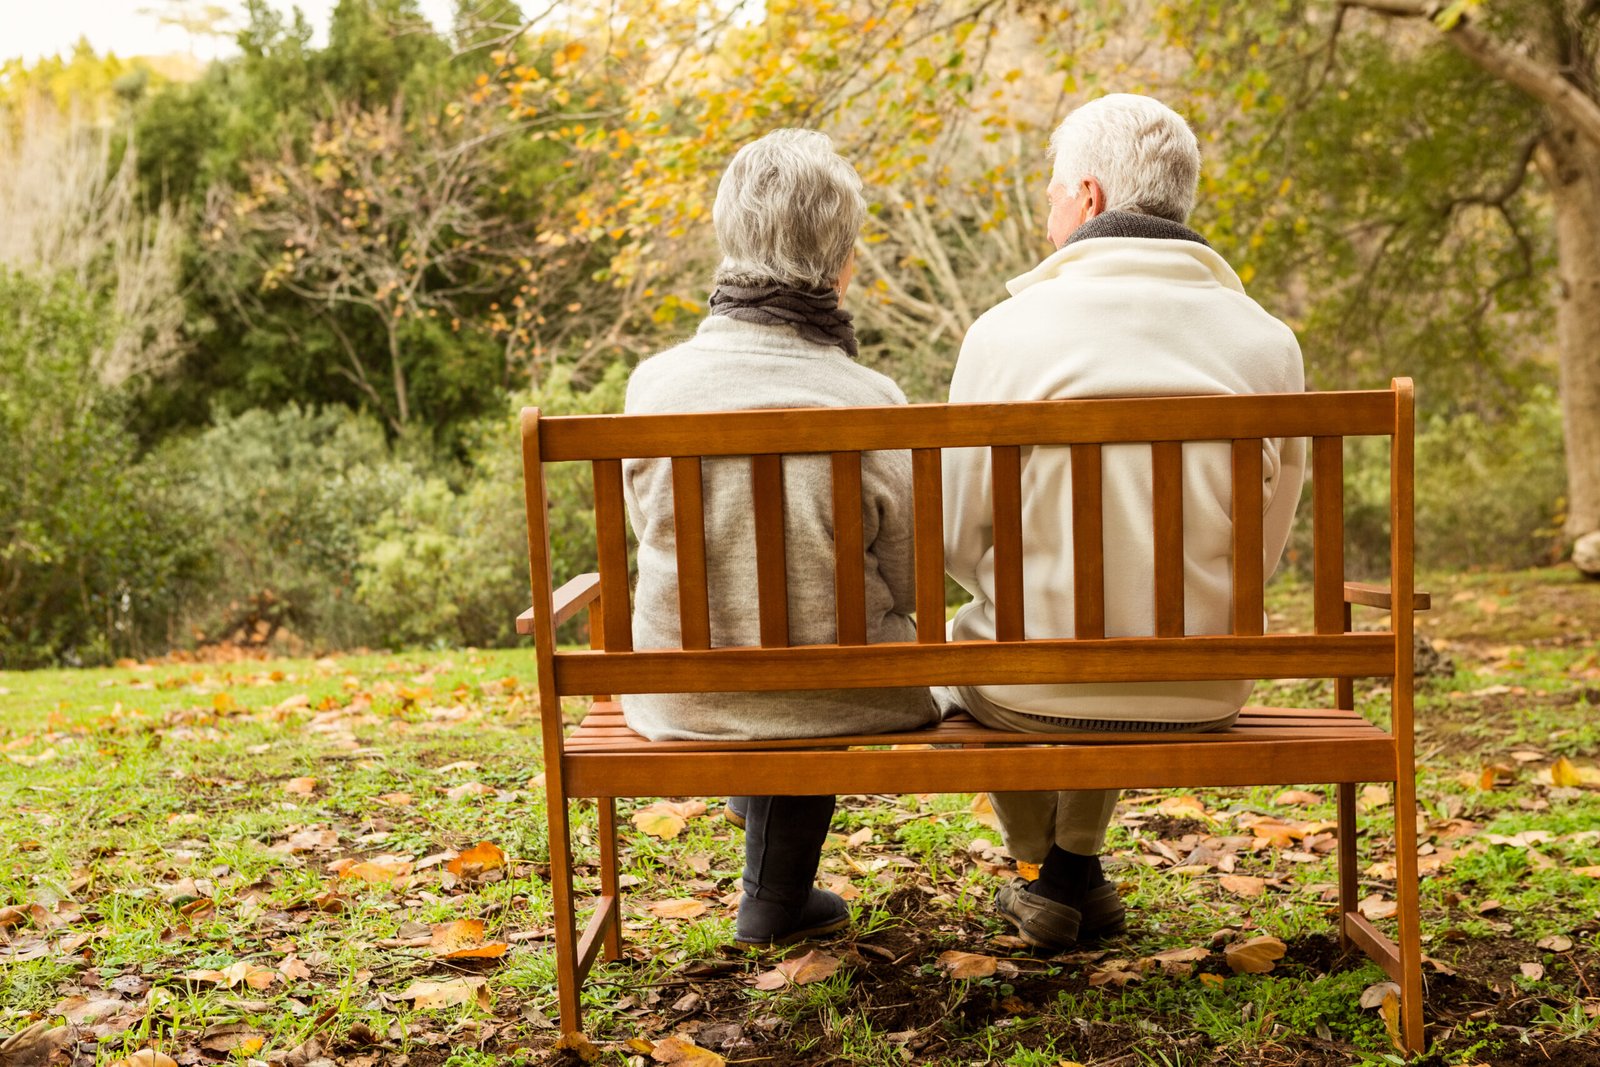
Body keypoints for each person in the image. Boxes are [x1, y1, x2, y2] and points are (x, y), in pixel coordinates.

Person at [942, 94, 1307, 952]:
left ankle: (1042, 873)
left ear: (1093, 200)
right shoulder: (1267, 343)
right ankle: (1073, 872)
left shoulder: (1005, 334)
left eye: (1052, 191)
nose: (1046, 210)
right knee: (1122, 607)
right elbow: (1268, 545)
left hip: (1028, 692)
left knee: (1016, 629)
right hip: (1206, 685)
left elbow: (957, 537)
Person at [620, 129, 940, 947]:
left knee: (768, 639)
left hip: (683, 691)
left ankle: (773, 887)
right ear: (843, 263)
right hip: (849, 689)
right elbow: (911, 580)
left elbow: (655, 536)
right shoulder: (871, 396)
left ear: (729, 239)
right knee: (812, 647)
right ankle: (771, 902)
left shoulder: (654, 387)